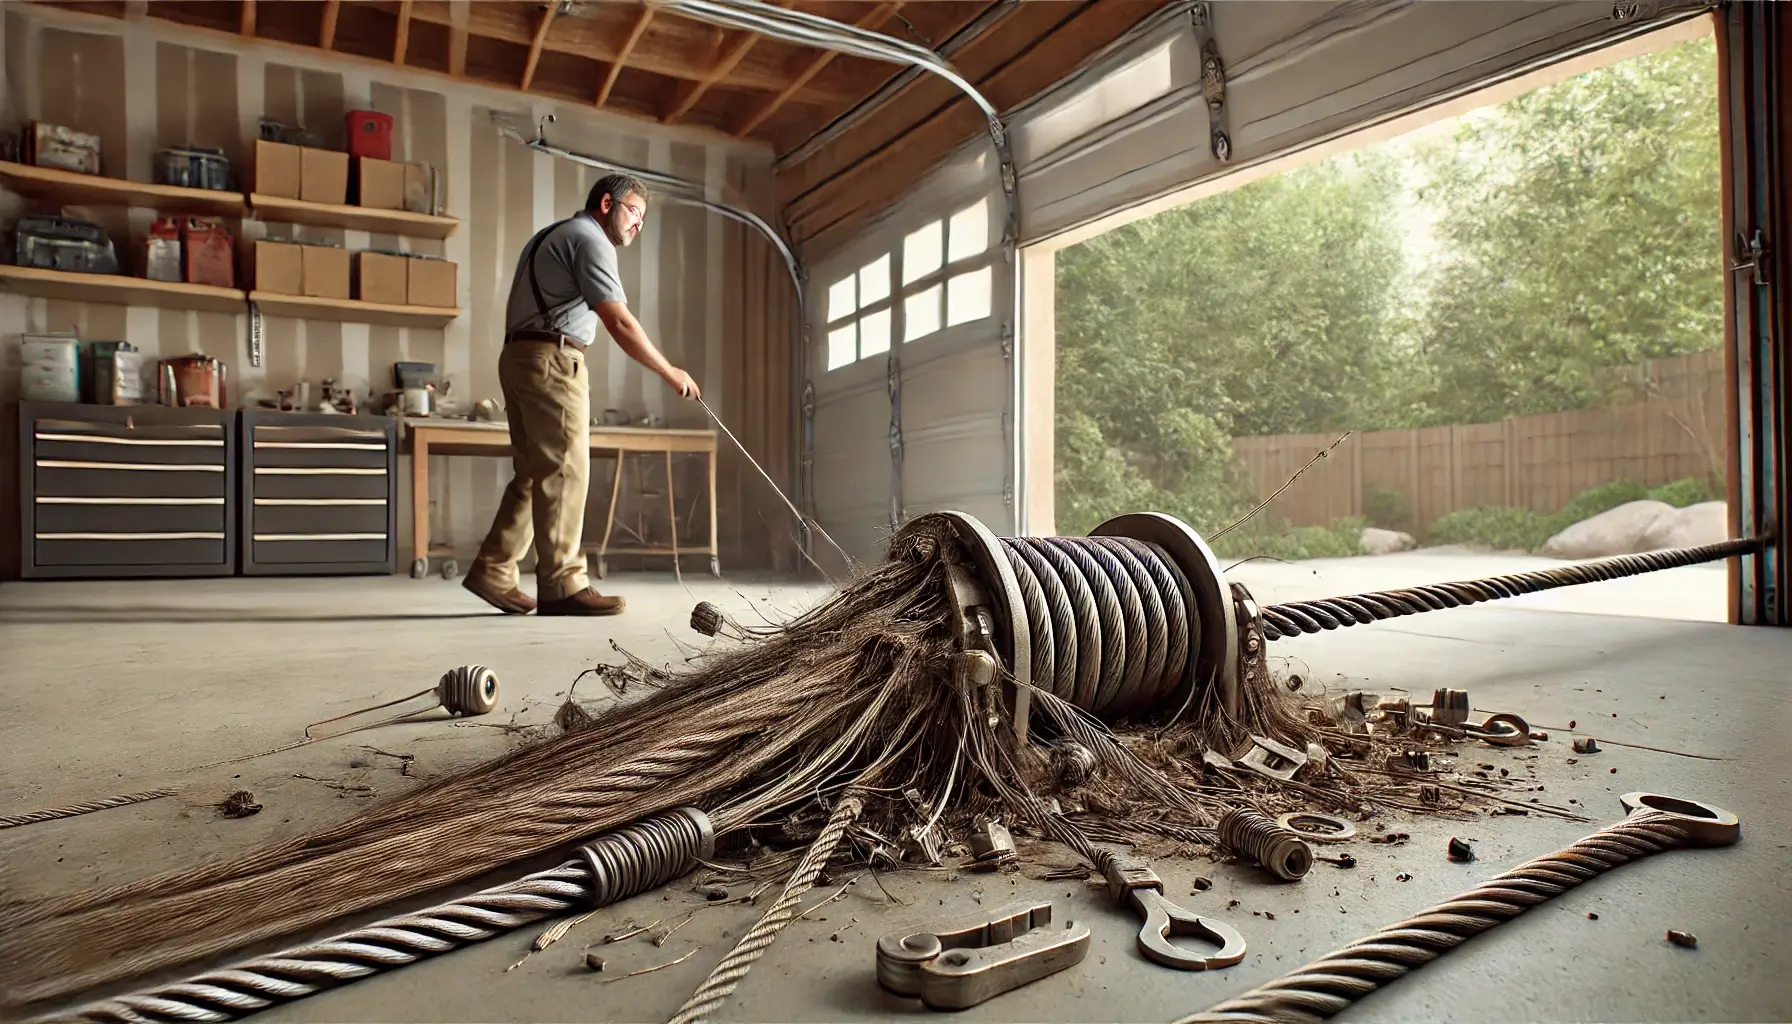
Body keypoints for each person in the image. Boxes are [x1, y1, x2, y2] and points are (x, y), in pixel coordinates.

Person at [462, 173, 700, 617]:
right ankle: (563, 584)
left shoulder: (552, 235)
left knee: (535, 473)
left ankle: (494, 569)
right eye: (633, 212)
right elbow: (619, 321)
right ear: (607, 204)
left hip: (520, 356)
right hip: (554, 359)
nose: (638, 225)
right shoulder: (591, 240)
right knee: (567, 472)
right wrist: (671, 372)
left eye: (644, 219)